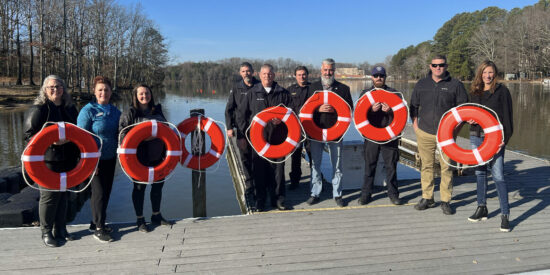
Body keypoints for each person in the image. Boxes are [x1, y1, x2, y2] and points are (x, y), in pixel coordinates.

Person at [24, 75, 79, 247]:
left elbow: (78, 132)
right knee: (49, 197)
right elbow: (28, 136)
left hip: (67, 159)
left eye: (59, 86)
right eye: (51, 87)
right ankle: (46, 232)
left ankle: (61, 229)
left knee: (63, 195)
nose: (55, 90)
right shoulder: (39, 110)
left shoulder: (69, 108)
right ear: (45, 90)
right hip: (48, 161)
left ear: (64, 89)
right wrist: (50, 140)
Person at [409, 54, 468, 215]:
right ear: (430, 66)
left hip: (446, 135)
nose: (438, 68)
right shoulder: (422, 84)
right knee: (426, 166)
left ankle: (445, 200)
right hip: (424, 131)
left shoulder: (455, 85)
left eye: (441, 65)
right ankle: (427, 198)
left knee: (446, 167)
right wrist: (415, 126)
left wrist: (455, 131)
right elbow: (413, 106)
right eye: (434, 65)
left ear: (446, 66)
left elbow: (464, 111)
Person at [119, 84, 174, 232]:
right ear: (135, 96)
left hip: (158, 157)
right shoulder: (130, 112)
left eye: (147, 93)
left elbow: (167, 130)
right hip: (138, 159)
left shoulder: (157, 110)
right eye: (141, 94)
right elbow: (122, 135)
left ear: (151, 94)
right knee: (139, 188)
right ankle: (140, 219)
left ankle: (156, 215)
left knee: (157, 187)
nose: (145, 96)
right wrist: (143, 138)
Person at [467, 60, 513, 232]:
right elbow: (470, 113)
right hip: (476, 136)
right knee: (480, 173)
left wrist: (505, 139)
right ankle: (482, 208)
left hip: (495, 139)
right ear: (480, 73)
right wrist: (468, 120)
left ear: (495, 73)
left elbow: (508, 119)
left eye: (491, 72)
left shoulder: (502, 92)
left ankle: (505, 214)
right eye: (485, 72)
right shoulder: (475, 92)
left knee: (499, 175)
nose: (488, 75)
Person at [236, 64, 290, 211]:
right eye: (264, 74)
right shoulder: (252, 93)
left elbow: (292, 115)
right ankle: (260, 200)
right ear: (259, 75)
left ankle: (278, 199)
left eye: (270, 74)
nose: (267, 76)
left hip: (278, 139)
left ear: (274, 75)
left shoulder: (282, 93)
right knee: (259, 170)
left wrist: (281, 120)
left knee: (278, 171)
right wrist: (241, 136)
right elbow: (241, 115)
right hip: (258, 140)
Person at [77, 76, 121, 243]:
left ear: (111, 92)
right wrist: (89, 162)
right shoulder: (88, 110)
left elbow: (123, 131)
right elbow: (80, 137)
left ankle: (95, 222)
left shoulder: (115, 111)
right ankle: (99, 228)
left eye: (106, 90)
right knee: (99, 193)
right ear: (95, 92)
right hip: (93, 159)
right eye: (100, 89)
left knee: (107, 191)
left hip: (110, 158)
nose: (104, 92)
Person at [306, 58, 353, 207]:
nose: (328, 73)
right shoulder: (312, 87)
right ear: (321, 70)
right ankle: (315, 192)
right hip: (316, 131)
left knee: (337, 165)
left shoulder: (344, 89)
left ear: (334, 70)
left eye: (331, 70)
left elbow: (349, 110)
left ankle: (337, 194)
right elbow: (305, 109)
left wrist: (337, 109)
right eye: (325, 70)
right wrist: (317, 108)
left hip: (336, 132)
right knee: (315, 164)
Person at [357, 66, 402, 206]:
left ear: (385, 77)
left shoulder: (394, 93)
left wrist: (390, 110)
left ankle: (393, 194)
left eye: (381, 75)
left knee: (391, 166)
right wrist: (371, 110)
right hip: (371, 136)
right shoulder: (365, 93)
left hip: (390, 136)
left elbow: (401, 114)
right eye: (376, 75)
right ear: (372, 77)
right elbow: (359, 114)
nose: (378, 78)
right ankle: (366, 194)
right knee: (369, 166)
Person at [225, 62, 259, 205]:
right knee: (245, 158)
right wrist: (229, 127)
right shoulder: (236, 88)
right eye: (243, 71)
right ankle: (250, 185)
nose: (246, 73)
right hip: (242, 129)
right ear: (240, 73)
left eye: (248, 71)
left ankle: (260, 184)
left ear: (253, 72)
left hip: (258, 129)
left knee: (258, 158)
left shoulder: (259, 86)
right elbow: (229, 109)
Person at [286, 66, 311, 190]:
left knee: (313, 155)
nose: (302, 77)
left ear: (307, 75)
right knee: (295, 156)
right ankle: (295, 180)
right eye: (299, 74)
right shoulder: (290, 90)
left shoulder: (314, 89)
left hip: (311, 128)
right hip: (296, 129)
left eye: (304, 74)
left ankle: (316, 181)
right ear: (295, 76)